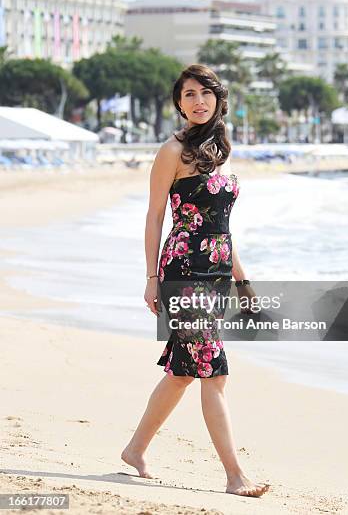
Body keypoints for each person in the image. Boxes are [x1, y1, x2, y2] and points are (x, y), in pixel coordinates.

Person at [121, 64, 269, 498]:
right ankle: (235, 475)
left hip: (218, 273)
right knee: (213, 370)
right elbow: (154, 217)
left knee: (185, 371)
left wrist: (243, 280)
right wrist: (151, 278)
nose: (197, 101)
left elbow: (221, 224)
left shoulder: (220, 147)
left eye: (205, 93)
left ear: (218, 100)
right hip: (183, 272)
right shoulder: (172, 151)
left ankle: (135, 449)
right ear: (178, 103)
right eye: (188, 95)